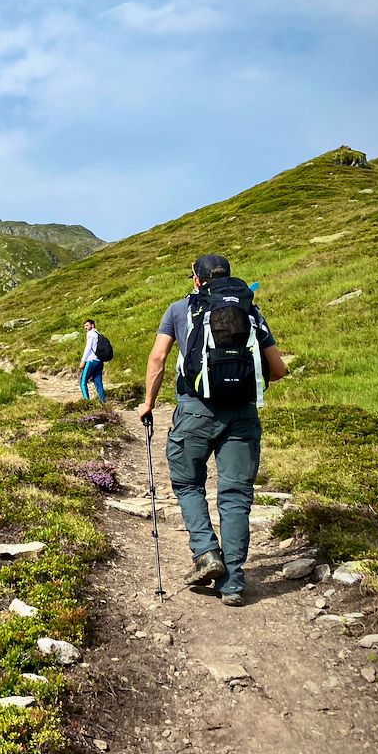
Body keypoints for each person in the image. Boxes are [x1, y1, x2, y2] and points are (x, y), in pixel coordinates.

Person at [134, 254, 287, 607]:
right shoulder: (251, 311)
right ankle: (232, 582)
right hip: (243, 416)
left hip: (194, 410)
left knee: (188, 483)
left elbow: (157, 359)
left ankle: (206, 552)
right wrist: (239, 386)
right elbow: (277, 370)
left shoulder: (178, 310)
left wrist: (148, 403)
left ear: (196, 279)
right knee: (235, 495)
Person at [78, 318, 106, 403]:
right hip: (99, 361)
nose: (85, 328)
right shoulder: (98, 334)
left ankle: (87, 402)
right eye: (84, 326)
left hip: (91, 361)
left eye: (87, 325)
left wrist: (83, 360)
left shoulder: (90, 334)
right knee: (99, 383)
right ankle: (103, 402)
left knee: (83, 382)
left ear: (92, 325)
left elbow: (88, 348)